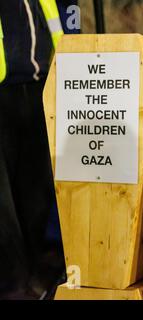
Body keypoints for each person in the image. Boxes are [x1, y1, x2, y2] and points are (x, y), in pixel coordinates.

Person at [0, 0, 65, 299]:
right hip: (4, 88)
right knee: (4, 206)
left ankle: (36, 281)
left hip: (40, 84)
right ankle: (12, 285)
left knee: (36, 194)